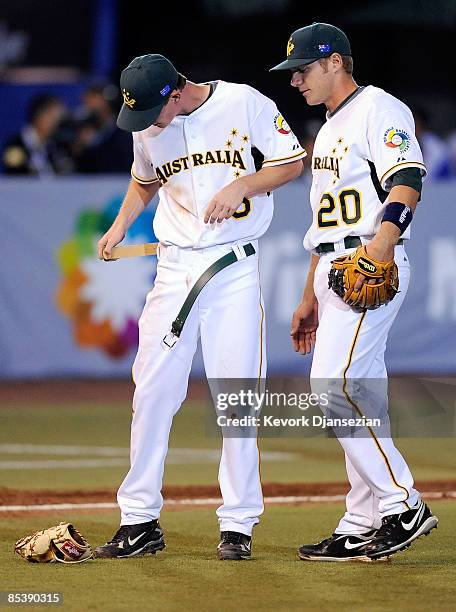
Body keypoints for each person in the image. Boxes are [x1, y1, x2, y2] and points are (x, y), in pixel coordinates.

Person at [94, 54, 305, 560]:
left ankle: (238, 525)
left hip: (231, 267)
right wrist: (121, 224)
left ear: (174, 93)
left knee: (237, 398)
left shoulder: (242, 101)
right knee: (151, 392)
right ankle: (139, 519)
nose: (142, 123)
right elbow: (145, 179)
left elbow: (291, 161)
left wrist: (243, 184)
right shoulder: (148, 125)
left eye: (149, 110)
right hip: (173, 268)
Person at [270, 22, 438, 561]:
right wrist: (309, 295)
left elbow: (408, 178)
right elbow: (325, 222)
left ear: (335, 62)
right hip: (333, 267)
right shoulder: (328, 125)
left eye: (302, 70)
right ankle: (361, 521)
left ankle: (402, 505)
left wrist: (382, 249)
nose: (295, 81)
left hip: (368, 260)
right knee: (360, 395)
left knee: (333, 387)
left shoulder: (379, 109)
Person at [2, 94, 72, 176]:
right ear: (37, 115)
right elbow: (13, 174)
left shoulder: (56, 145)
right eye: (51, 117)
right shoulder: (15, 144)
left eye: (57, 118)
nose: (55, 123)